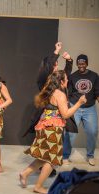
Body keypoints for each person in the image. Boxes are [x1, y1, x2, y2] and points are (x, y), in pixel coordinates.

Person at [20, 70, 86, 194]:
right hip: (52, 130)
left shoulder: (49, 91)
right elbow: (65, 114)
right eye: (66, 79)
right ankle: (38, 186)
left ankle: (24, 174)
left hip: (45, 127)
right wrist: (79, 103)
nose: (67, 81)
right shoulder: (60, 95)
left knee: (45, 157)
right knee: (53, 160)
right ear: (61, 81)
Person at [24, 42, 75, 177]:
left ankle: (47, 167)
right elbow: (48, 68)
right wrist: (56, 51)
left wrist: (69, 60)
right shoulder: (43, 80)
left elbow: (66, 74)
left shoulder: (59, 80)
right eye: (54, 64)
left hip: (58, 118)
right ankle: (44, 169)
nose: (56, 65)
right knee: (46, 146)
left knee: (55, 145)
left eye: (57, 64)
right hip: (48, 118)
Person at [63, 54, 99, 166]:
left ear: (87, 63)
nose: (81, 66)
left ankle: (90, 155)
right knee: (70, 133)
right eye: (79, 64)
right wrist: (67, 106)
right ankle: (65, 156)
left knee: (92, 132)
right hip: (75, 107)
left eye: (83, 63)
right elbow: (68, 93)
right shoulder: (73, 76)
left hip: (90, 108)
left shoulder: (94, 76)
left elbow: (97, 92)